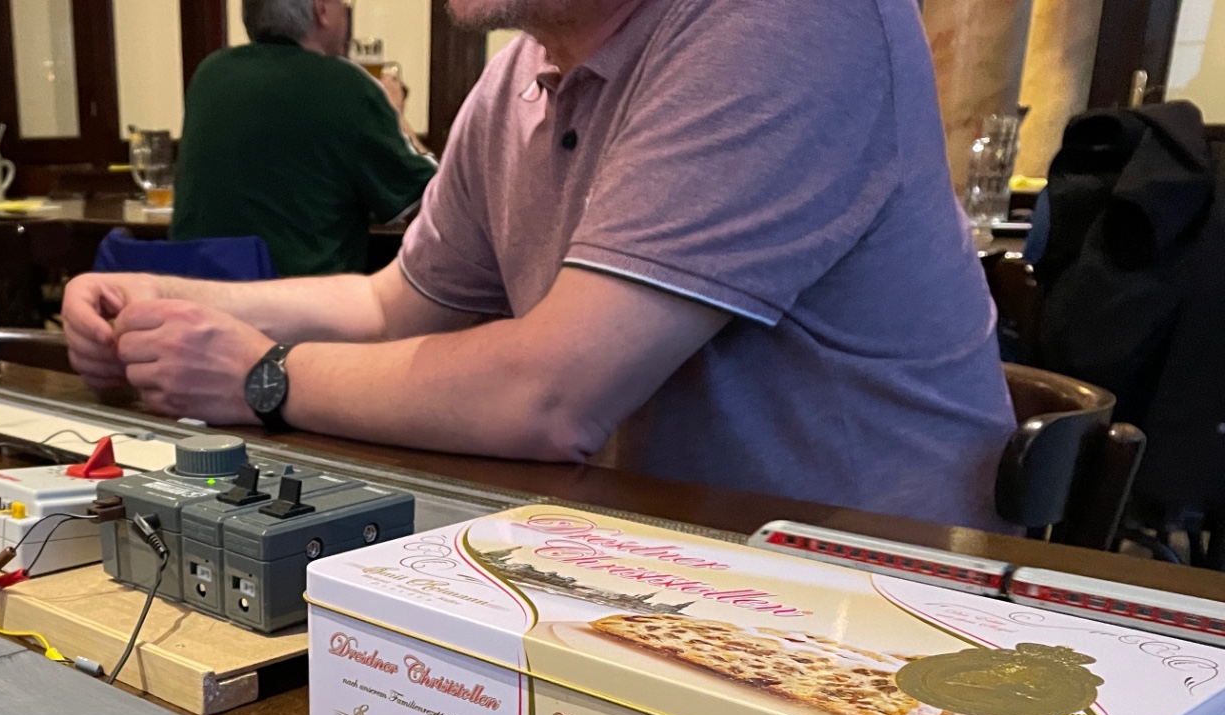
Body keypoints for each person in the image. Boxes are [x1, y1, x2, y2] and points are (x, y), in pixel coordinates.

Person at [67, 0, 1017, 530]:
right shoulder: (518, 74)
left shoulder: (789, 18)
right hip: (652, 563)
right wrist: (163, 295)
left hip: (877, 600)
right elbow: (395, 304)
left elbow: (552, 396)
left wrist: (261, 376)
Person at [170, 0, 438, 277]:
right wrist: (396, 117)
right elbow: (436, 200)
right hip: (297, 299)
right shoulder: (345, 84)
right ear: (322, 10)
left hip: (196, 294)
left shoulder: (210, 73)